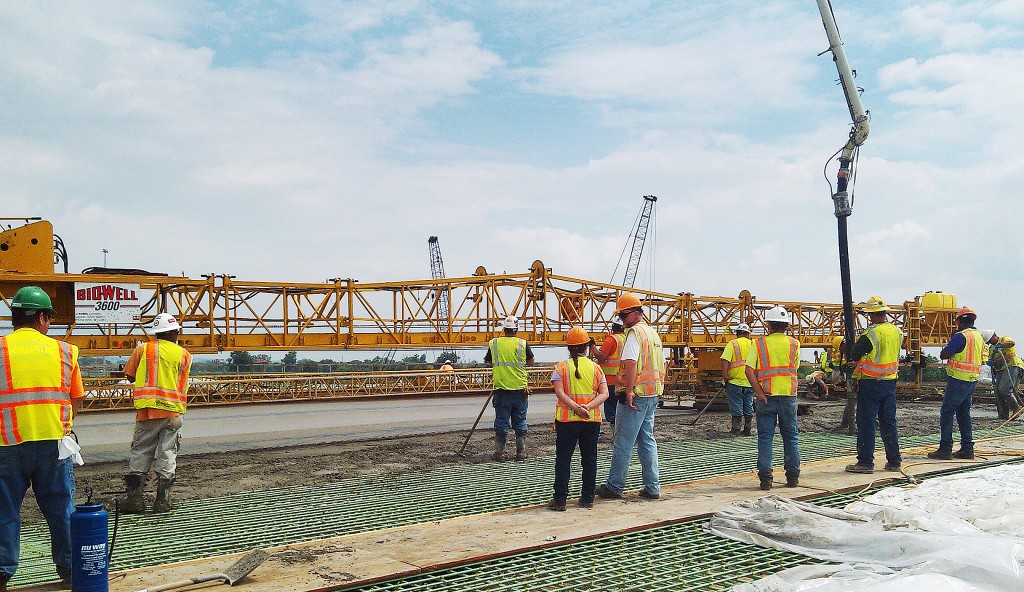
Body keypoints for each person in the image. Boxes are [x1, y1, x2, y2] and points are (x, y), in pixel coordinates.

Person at [0, 286, 85, 589]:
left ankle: (1, 571)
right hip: (54, 445)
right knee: (62, 509)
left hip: (6, 443)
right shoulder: (65, 351)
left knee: (4, 511)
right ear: (41, 317)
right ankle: (72, 571)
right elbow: (75, 401)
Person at [121, 313, 193, 513]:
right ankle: (162, 501)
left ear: (156, 333)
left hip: (148, 411)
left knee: (141, 452)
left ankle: (135, 500)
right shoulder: (185, 355)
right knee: (168, 454)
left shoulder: (143, 349)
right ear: (173, 332)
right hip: (174, 412)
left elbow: (129, 376)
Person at [596, 293, 665, 500]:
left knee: (623, 442)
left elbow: (631, 363)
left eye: (624, 316)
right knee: (647, 440)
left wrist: (628, 391)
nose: (622, 321)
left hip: (636, 396)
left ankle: (615, 486)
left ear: (635, 314)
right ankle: (652, 488)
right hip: (652, 394)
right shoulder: (653, 334)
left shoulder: (634, 333)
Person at [548, 327, 609, 511]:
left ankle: (560, 501)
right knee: (589, 458)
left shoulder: (560, 368)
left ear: (569, 347)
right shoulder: (596, 368)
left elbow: (559, 392)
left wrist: (576, 408)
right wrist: (587, 408)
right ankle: (588, 498)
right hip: (591, 421)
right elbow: (604, 394)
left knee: (564, 459)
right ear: (586, 347)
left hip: (567, 421)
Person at [744, 305, 801, 491]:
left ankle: (766, 480)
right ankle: (792, 478)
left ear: (768, 324)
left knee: (765, 438)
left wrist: (759, 393)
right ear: (786, 325)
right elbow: (795, 367)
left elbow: (749, 370)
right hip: (788, 397)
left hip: (766, 397)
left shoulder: (759, 344)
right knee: (791, 437)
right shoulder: (794, 344)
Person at [844, 296, 903, 474]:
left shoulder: (872, 333)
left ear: (871, 315)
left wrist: (857, 363)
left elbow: (855, 353)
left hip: (871, 383)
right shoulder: (897, 332)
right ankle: (894, 461)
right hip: (890, 382)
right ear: (885, 313)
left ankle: (865, 462)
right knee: (888, 422)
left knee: (867, 423)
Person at [928, 307, 984, 460]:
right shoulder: (979, 337)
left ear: (959, 321)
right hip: (972, 380)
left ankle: (945, 448)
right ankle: (967, 449)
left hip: (958, 379)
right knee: (963, 413)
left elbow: (944, 354)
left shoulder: (961, 336)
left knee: (947, 412)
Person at [484, 315, 535, 461]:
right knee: (520, 420)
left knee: (501, 421)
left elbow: (488, 361)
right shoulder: (522, 344)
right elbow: (531, 362)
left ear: (504, 329)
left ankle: (499, 453)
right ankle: (520, 453)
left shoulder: (494, 343)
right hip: (520, 389)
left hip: (501, 389)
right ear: (516, 329)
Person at [720, 323, 754, 435]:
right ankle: (747, 429)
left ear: (737, 334)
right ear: (748, 334)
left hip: (734, 381)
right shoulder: (754, 344)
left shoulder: (732, 344)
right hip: (750, 382)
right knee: (748, 404)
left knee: (736, 405)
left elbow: (725, 360)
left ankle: (736, 429)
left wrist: (725, 376)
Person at [981, 329, 1020, 419]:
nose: (990, 342)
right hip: (1000, 370)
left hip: (1011, 366)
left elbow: (1012, 343)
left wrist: (1001, 346)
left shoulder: (1004, 339)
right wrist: (990, 362)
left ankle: (1016, 408)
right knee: (997, 391)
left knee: (1004, 389)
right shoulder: (991, 348)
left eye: (990, 340)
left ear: (994, 336)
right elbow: (991, 360)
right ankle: (1003, 414)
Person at [593, 318, 625, 427]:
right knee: (621, 408)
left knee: (611, 411)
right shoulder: (626, 339)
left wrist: (592, 345)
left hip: (611, 381)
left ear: (613, 327)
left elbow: (601, 357)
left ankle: (615, 432)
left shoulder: (611, 340)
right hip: (624, 381)